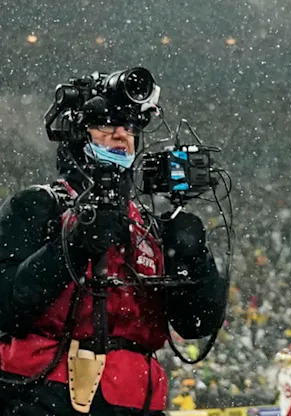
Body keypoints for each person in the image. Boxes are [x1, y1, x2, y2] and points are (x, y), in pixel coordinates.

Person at [0, 68, 228, 415]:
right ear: (79, 135)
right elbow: (6, 308)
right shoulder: (38, 205)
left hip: (136, 399)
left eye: (131, 128)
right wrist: (73, 247)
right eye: (107, 126)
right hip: (41, 393)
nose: (122, 136)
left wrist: (194, 260)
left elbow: (196, 325)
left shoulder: (153, 226)